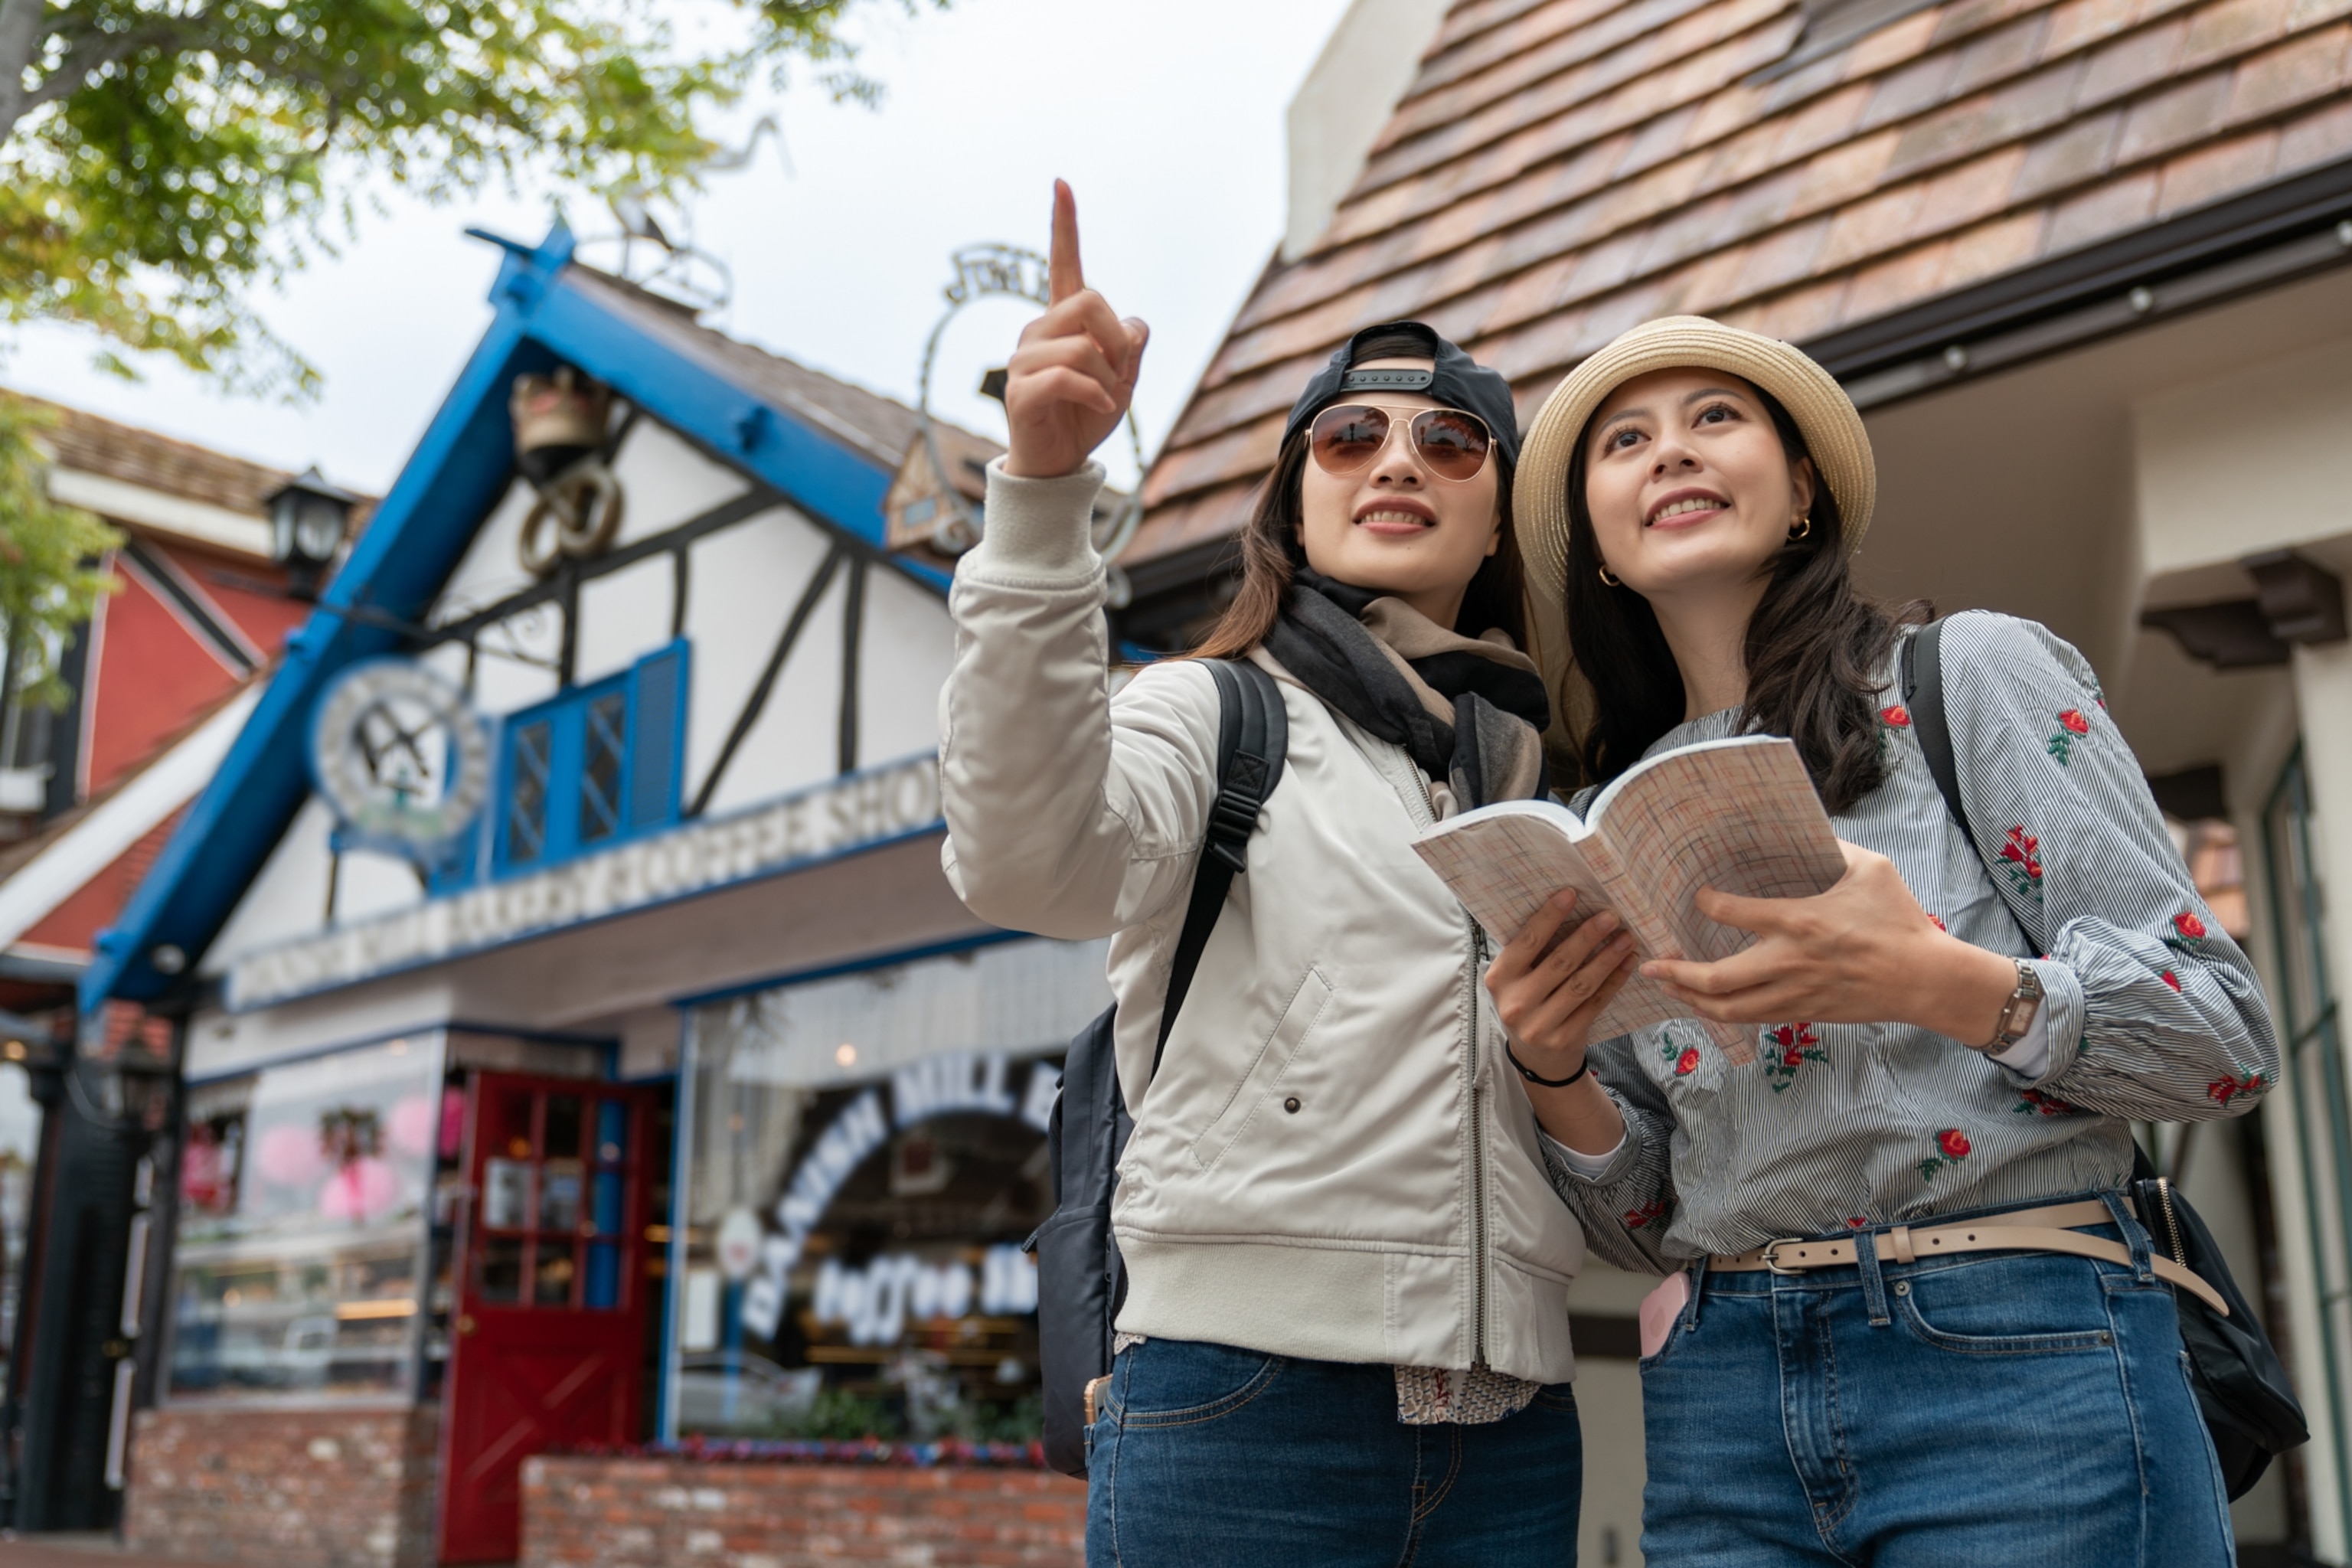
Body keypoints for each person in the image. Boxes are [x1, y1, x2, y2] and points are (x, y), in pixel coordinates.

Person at [1481, 313, 2276, 1566]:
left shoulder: (1969, 678)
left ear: (1800, 489)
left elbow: (2220, 1040)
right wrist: (1550, 1068)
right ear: (1602, 550)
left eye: (1716, 420)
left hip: (2019, 1351)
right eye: (1626, 441)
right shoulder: (1597, 822)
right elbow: (1643, 1220)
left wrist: (1937, 983)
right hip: (1720, 1390)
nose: (1672, 454)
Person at [938, 184, 1609, 1565]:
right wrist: (1045, 494)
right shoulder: (1210, 712)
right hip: (1242, 1401)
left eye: (1452, 440)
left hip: (1522, 1428)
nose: (1397, 461)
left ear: (1499, 523)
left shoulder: (1547, 779)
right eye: (1349, 436)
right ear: (1296, 504)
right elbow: (1025, 864)